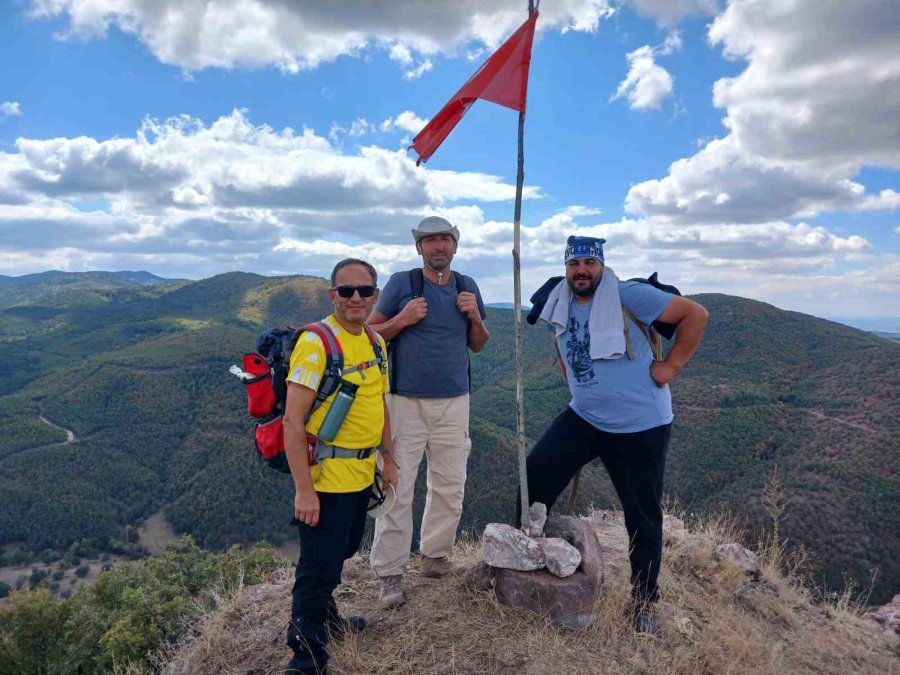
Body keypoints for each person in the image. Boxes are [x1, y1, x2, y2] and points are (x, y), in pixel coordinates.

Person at [523, 235, 708, 634]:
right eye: (574, 264)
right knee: (536, 472)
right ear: (565, 268)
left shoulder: (630, 295)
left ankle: (643, 602)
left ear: (601, 266)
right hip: (585, 416)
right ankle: (525, 557)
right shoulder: (559, 300)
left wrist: (671, 367)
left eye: (589, 263)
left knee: (642, 515)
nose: (582, 271)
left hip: (641, 425)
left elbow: (696, 315)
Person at [282, 258, 399, 675]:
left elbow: (380, 406)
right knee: (317, 568)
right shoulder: (317, 343)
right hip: (325, 478)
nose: (355, 298)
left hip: (361, 473)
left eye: (364, 291)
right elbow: (293, 421)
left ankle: (327, 621)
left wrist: (388, 459)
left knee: (342, 551)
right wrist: (304, 490)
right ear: (332, 295)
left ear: (375, 296)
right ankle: (305, 657)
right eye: (346, 291)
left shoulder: (374, 342)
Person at [368, 216, 490, 609]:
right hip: (403, 400)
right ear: (419, 248)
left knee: (450, 484)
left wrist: (473, 316)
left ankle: (435, 556)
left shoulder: (467, 285)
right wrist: (402, 319)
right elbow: (369, 334)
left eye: (445, 240)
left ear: (455, 246)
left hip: (456, 400)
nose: (438, 246)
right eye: (430, 240)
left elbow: (479, 344)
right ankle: (390, 573)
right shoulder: (403, 283)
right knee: (397, 487)